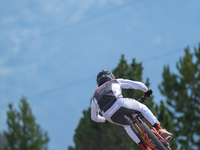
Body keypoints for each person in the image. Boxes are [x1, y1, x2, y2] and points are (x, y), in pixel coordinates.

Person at [91, 70, 173, 150]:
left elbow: (94, 117)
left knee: (127, 125)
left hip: (108, 115)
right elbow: (135, 84)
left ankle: (146, 148)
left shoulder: (95, 95)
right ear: (110, 77)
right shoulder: (114, 81)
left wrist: (104, 120)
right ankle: (160, 129)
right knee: (142, 107)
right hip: (120, 104)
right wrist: (146, 90)